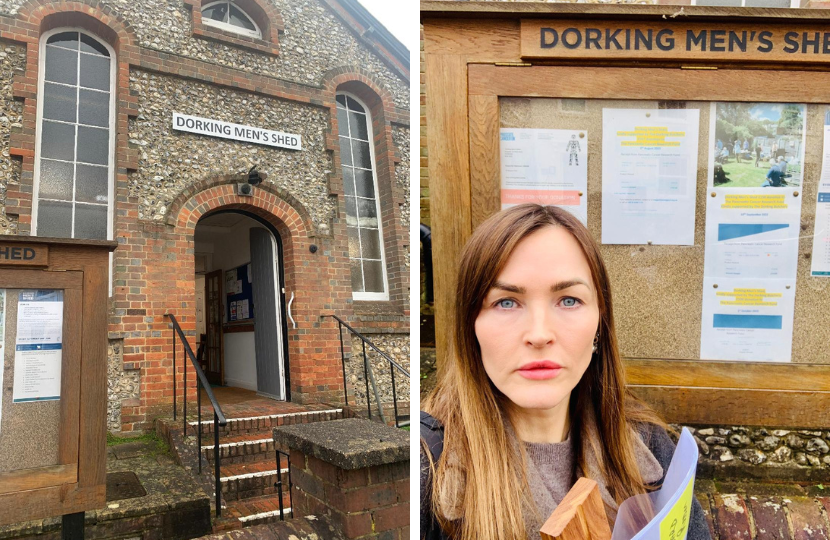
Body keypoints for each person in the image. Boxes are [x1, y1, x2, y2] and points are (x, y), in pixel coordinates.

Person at [420, 205, 711, 540]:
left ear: (600, 325)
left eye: (569, 300)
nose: (540, 333)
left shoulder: (649, 447)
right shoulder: (426, 468)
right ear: (471, 328)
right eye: (506, 302)